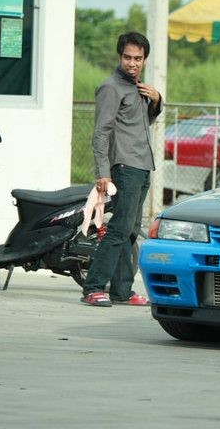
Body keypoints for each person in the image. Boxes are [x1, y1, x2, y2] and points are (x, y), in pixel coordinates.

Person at [81, 32, 162, 307]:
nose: (132, 63)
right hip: (125, 167)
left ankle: (122, 291)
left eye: (138, 58)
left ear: (145, 59)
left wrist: (157, 101)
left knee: (130, 230)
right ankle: (93, 287)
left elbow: (142, 124)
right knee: (119, 229)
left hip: (142, 166)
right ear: (120, 56)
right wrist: (103, 172)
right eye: (127, 57)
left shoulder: (139, 89)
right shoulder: (111, 88)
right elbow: (101, 132)